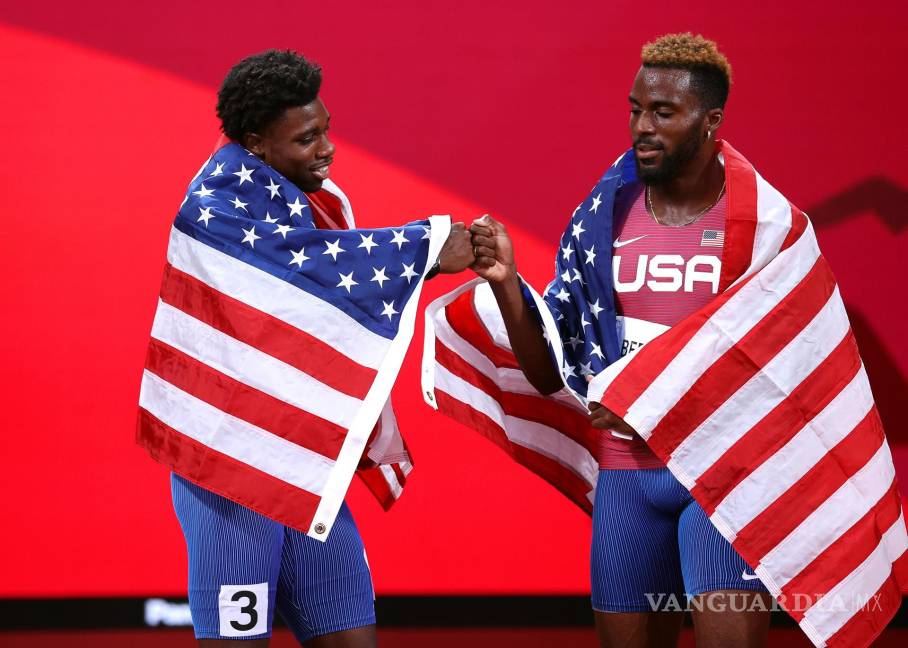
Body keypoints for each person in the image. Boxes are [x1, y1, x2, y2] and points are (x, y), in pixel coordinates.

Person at [158, 50, 474, 647]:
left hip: (303, 461)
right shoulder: (212, 210)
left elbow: (325, 289)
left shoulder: (314, 199)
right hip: (234, 469)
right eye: (307, 139)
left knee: (350, 634)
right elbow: (308, 272)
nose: (327, 148)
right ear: (256, 142)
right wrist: (429, 247)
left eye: (325, 128)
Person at [468, 34, 774, 647]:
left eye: (664, 112)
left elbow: (781, 369)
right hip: (628, 478)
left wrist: (649, 400)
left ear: (710, 120)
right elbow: (552, 372)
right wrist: (507, 284)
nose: (642, 126)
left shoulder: (765, 224)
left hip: (724, 473)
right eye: (635, 109)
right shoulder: (604, 216)